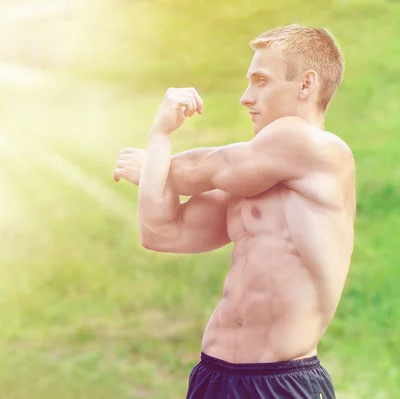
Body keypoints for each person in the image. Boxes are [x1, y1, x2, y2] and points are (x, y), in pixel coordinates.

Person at [113, 24, 355, 399]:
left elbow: (201, 171)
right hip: (214, 375)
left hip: (281, 383)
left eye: (261, 81)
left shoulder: (316, 147)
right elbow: (161, 232)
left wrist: (154, 167)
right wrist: (159, 137)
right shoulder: (251, 181)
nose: (246, 97)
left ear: (306, 85)